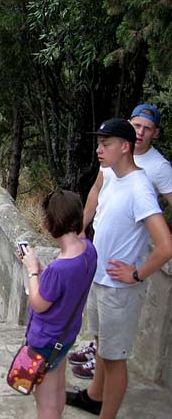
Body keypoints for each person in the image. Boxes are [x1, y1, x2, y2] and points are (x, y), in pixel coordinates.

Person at [65, 119, 172, 418]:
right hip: (102, 281)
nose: (99, 149)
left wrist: (136, 273)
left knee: (114, 360)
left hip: (119, 290)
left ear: (125, 147)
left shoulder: (140, 188)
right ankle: (93, 396)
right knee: (102, 347)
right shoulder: (113, 176)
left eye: (106, 144)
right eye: (99, 143)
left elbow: (166, 245)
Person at [17, 190, 97, 419]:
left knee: (45, 403)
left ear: (50, 222)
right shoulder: (88, 251)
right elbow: (65, 288)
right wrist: (43, 271)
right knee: (58, 388)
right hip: (65, 335)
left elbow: (39, 303)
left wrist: (33, 271)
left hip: (46, 340)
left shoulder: (59, 269)